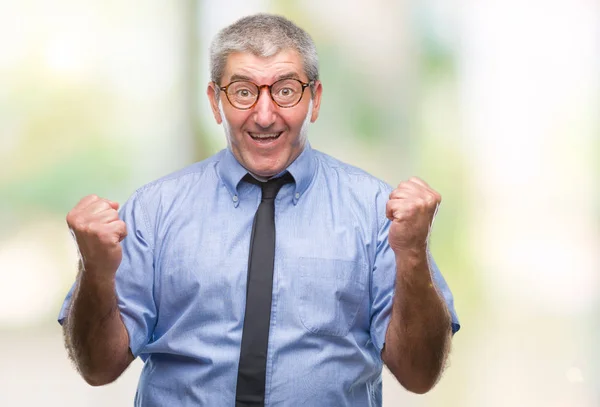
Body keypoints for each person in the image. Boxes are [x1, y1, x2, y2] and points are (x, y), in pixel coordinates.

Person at [58, 13, 460, 407]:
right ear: (216, 102)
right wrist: (95, 270)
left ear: (314, 100)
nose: (265, 115)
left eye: (285, 90)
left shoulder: (377, 213)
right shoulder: (152, 212)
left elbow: (419, 374)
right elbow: (98, 368)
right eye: (244, 91)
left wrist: (411, 254)